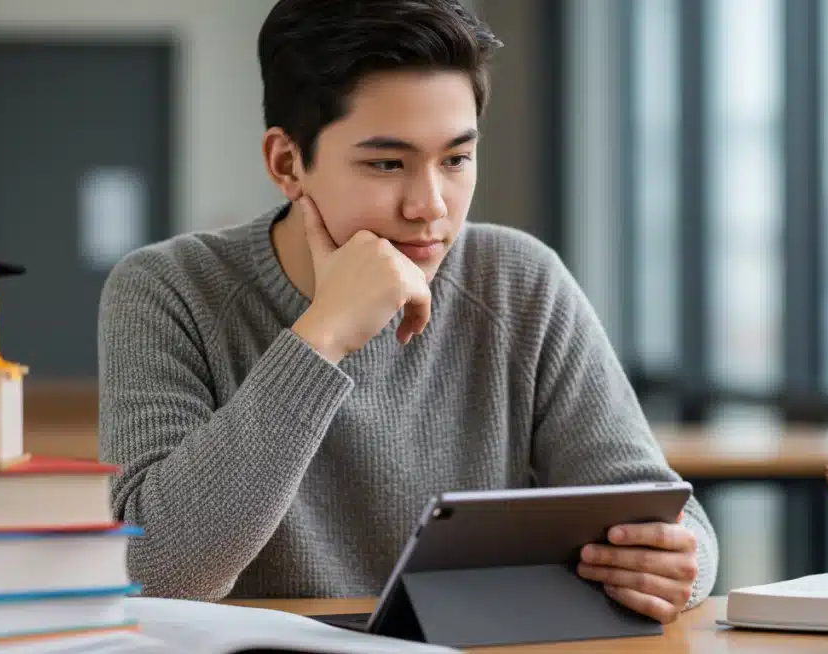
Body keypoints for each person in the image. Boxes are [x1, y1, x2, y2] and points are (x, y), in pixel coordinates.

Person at [97, 0, 718, 625]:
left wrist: (674, 563)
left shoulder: (519, 280)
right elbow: (155, 572)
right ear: (287, 163)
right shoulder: (168, 288)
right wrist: (324, 336)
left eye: (455, 160)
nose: (430, 206)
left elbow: (665, 514)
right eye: (387, 164)